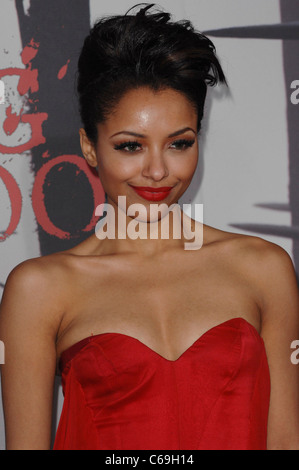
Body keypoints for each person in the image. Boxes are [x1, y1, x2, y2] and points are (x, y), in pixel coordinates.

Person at [1, 3, 299, 451]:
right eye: (130, 146)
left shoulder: (264, 269)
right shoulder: (40, 288)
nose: (157, 171)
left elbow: (285, 439)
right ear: (90, 145)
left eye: (180, 143)